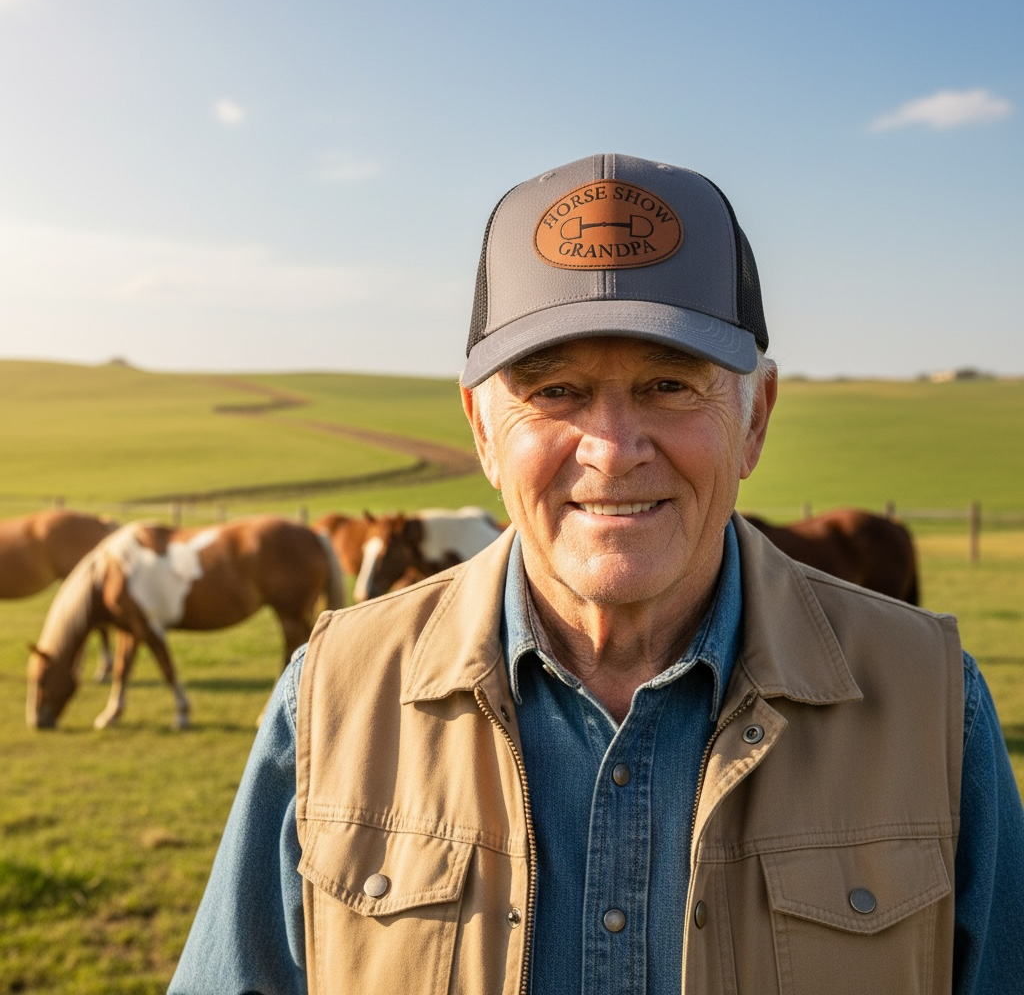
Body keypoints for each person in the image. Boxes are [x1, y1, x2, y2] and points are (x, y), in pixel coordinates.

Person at [169, 154, 1024, 994]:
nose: (613, 451)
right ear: (481, 429)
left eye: (667, 384)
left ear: (755, 418)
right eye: (555, 392)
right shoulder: (329, 700)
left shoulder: (937, 707)